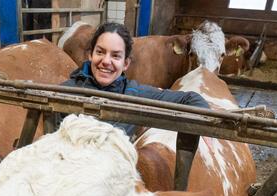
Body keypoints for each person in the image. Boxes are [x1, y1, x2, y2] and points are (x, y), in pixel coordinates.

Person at [60, 22, 209, 138]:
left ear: (125, 64)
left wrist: (204, 127)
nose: (106, 61)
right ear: (90, 55)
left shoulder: (134, 93)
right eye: (100, 52)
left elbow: (191, 98)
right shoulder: (65, 91)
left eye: (116, 55)